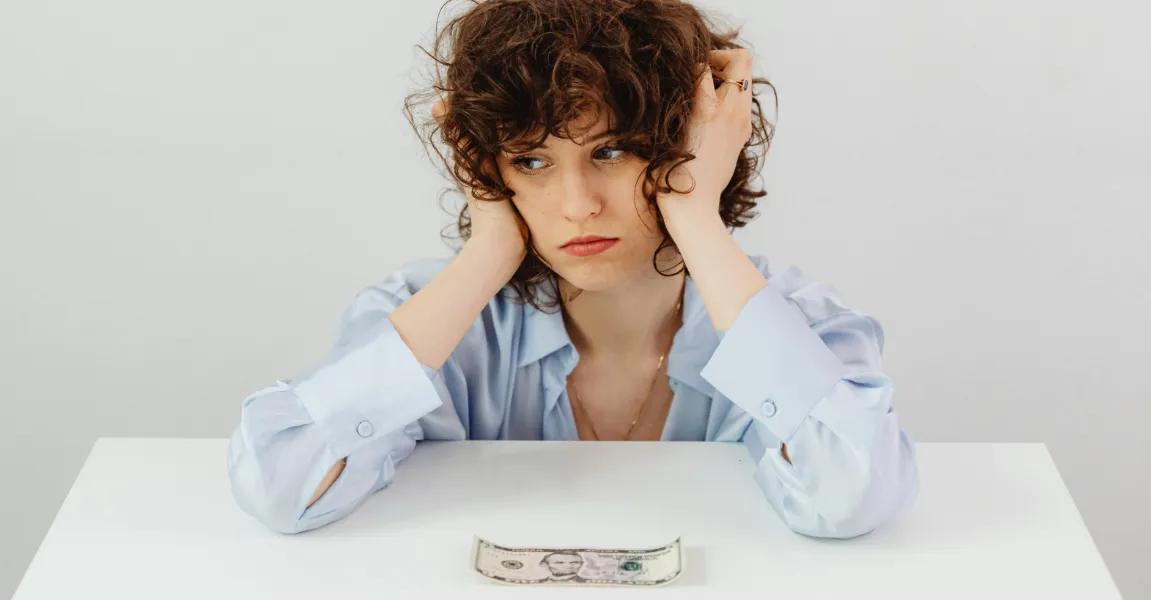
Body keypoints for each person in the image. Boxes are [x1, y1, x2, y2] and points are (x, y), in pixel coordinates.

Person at [227, 0, 918, 538]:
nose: (577, 204)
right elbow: (281, 490)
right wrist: (488, 251)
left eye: (612, 151)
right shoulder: (433, 321)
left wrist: (697, 217)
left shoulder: (792, 324)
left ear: (688, 146)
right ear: (489, 169)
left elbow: (851, 497)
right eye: (531, 161)